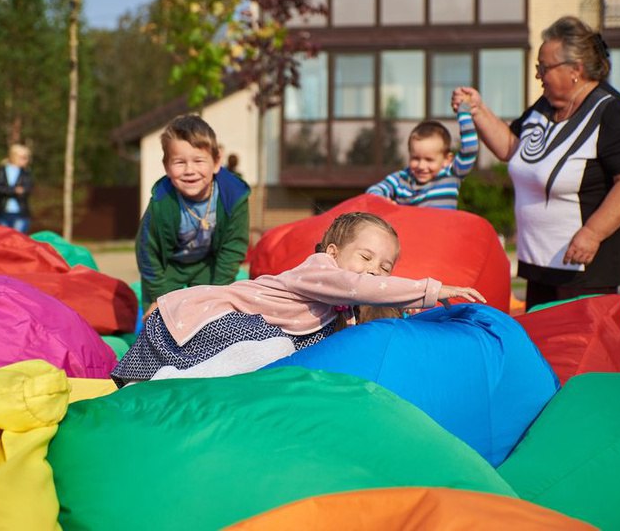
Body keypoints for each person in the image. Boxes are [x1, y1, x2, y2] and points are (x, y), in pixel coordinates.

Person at [113, 212, 486, 386]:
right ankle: (168, 382)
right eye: (365, 257)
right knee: (277, 346)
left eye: (385, 267)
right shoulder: (320, 270)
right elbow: (359, 286)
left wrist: (410, 313)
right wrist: (430, 290)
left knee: (280, 350)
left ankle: (168, 383)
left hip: (240, 333)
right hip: (211, 319)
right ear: (333, 252)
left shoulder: (346, 306)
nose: (374, 271)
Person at [451, 15, 620, 309]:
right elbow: (511, 148)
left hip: (586, 269)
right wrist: (478, 110)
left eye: (544, 68)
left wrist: (592, 234)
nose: (538, 75)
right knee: (540, 335)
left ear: (575, 70)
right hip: (540, 262)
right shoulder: (544, 107)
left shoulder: (612, 113)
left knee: (578, 338)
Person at [136, 114, 251, 313]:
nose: (189, 170)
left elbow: (233, 248)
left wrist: (217, 295)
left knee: (212, 315)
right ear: (167, 167)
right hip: (170, 266)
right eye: (179, 162)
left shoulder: (234, 196)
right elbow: (147, 250)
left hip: (208, 263)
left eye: (199, 160)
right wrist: (158, 298)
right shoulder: (162, 200)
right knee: (161, 317)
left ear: (216, 162)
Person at [366, 110, 478, 208]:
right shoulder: (401, 179)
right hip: (410, 226)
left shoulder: (451, 174)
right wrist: (382, 201)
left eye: (429, 160)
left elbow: (470, 149)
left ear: (447, 160)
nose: (421, 166)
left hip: (441, 226)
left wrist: (464, 113)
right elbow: (373, 191)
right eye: (415, 158)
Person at [0, 143, 33, 233]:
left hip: (21, 213)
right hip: (2, 212)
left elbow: (27, 189)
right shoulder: (2, 171)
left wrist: (11, 190)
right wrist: (14, 190)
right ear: (14, 156)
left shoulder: (26, 173)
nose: (26, 160)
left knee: (17, 237)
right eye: (23, 157)